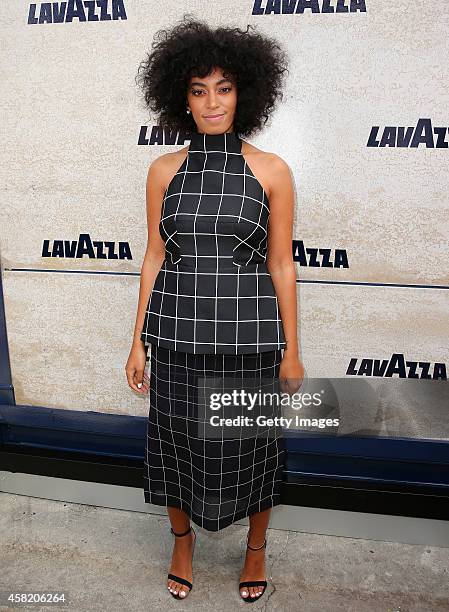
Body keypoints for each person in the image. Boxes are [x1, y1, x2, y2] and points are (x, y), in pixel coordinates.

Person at [126, 15, 304, 602]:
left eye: (223, 88)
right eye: (199, 90)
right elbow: (154, 257)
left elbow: (282, 264)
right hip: (174, 338)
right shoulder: (162, 171)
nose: (211, 102)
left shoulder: (271, 170)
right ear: (182, 96)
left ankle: (255, 552)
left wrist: (292, 353)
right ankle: (183, 543)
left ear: (244, 93)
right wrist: (136, 343)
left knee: (253, 450)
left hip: (249, 340)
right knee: (174, 443)